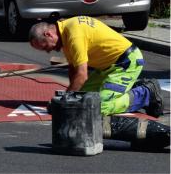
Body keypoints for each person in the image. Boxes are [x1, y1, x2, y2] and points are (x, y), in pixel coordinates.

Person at [29, 16, 164, 117]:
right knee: (83, 100)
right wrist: (68, 97)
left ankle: (146, 93)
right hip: (107, 68)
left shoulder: (74, 35)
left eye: (46, 46)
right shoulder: (65, 32)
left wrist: (65, 101)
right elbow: (73, 69)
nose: (48, 51)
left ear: (48, 34)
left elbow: (81, 75)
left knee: (98, 106)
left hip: (126, 63)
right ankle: (128, 88)